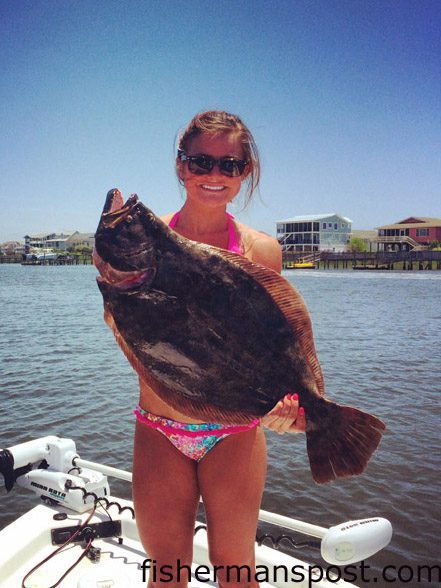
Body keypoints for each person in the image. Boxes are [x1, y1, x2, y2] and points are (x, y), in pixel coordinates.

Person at [132, 110, 306, 588]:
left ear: (244, 171)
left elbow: (275, 343)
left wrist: (291, 402)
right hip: (158, 429)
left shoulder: (263, 251)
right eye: (200, 162)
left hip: (234, 433)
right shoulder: (142, 243)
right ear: (181, 166)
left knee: (236, 573)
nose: (214, 175)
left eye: (229, 166)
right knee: (166, 576)